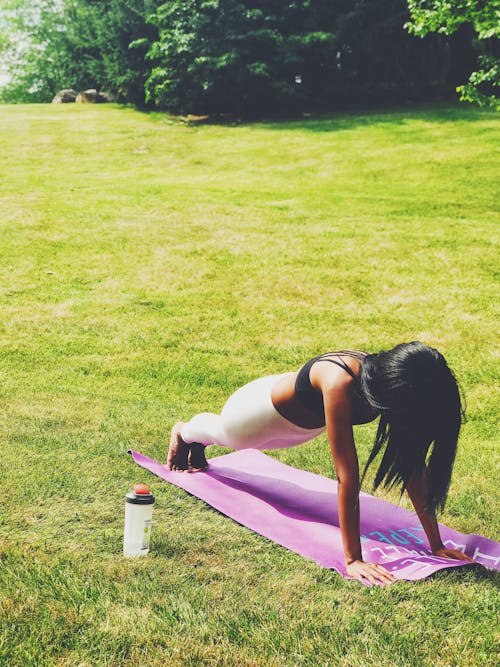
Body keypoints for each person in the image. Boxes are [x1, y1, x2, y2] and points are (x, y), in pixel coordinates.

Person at [166, 341, 474, 584]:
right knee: (227, 435)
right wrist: (353, 559)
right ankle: (185, 431)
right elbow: (347, 477)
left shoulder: (387, 385)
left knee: (251, 442)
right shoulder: (341, 381)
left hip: (301, 428)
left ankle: (196, 438)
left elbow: (413, 467)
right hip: (255, 412)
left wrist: (435, 544)